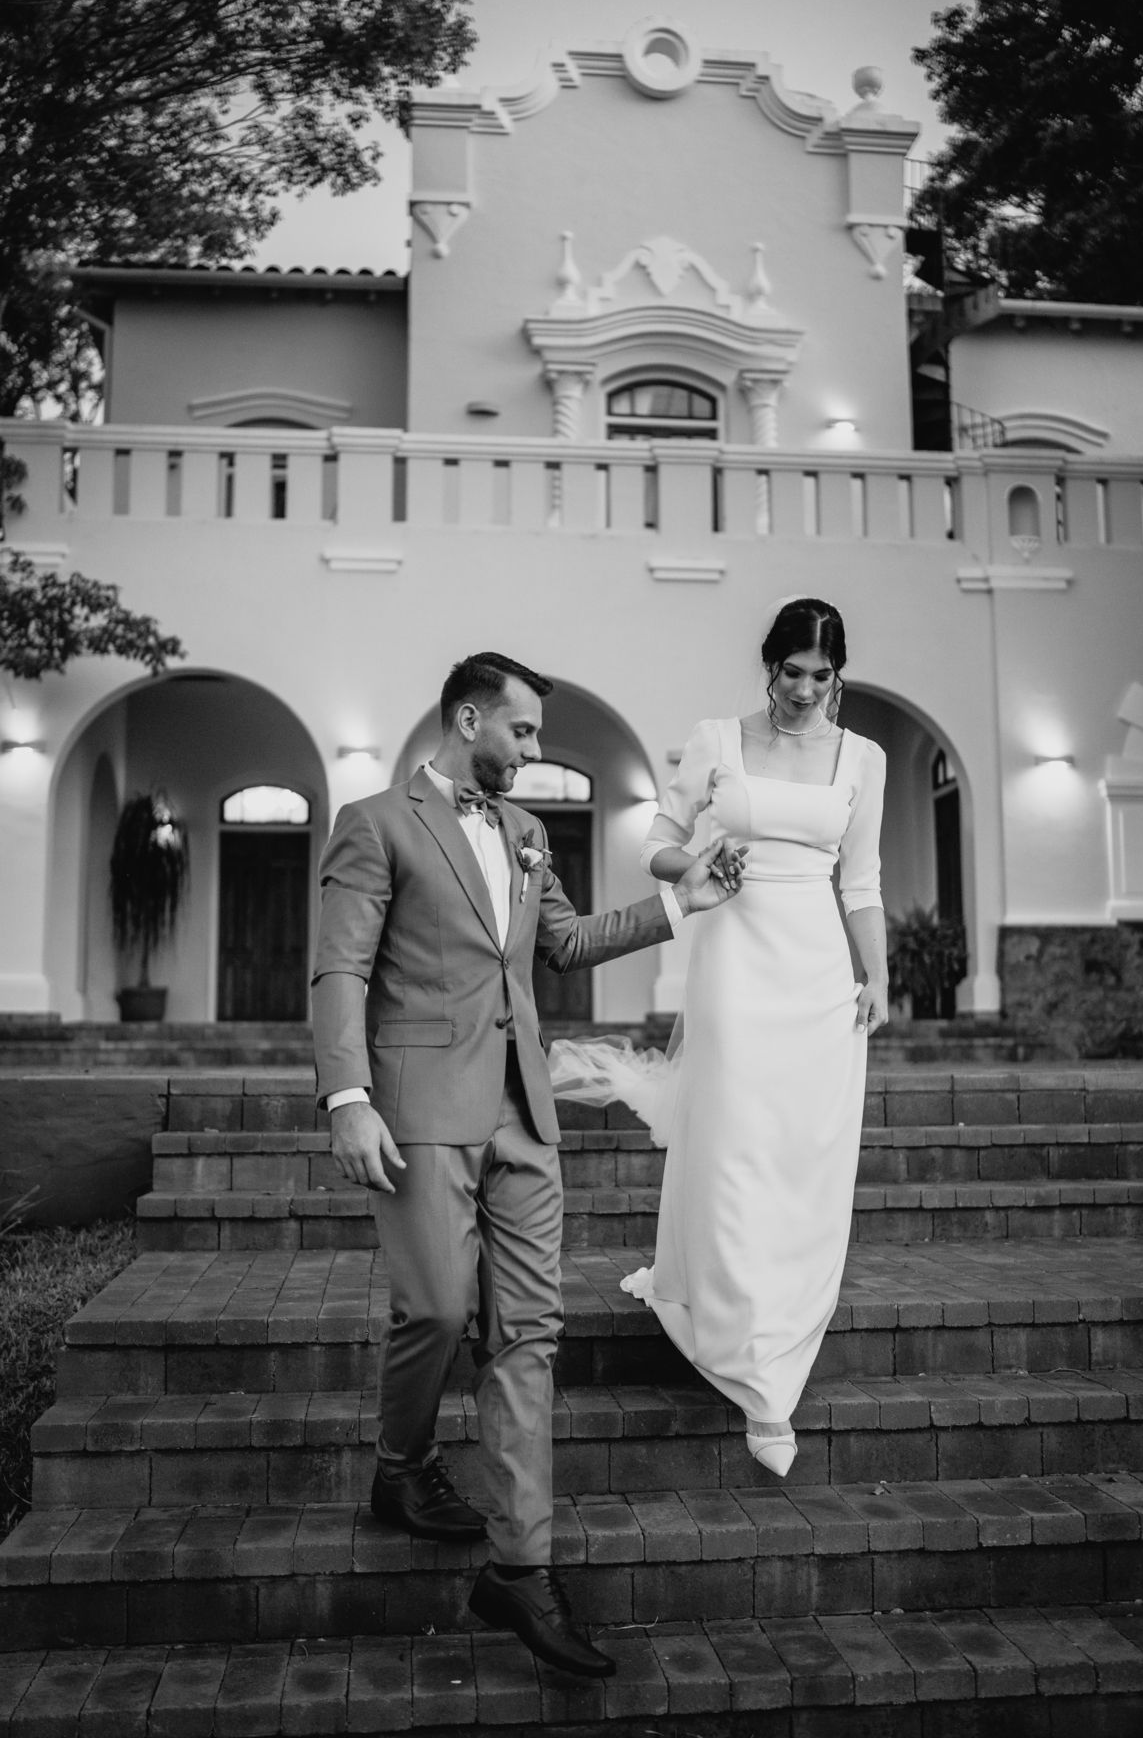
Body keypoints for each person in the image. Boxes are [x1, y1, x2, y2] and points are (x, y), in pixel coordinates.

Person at [310, 652, 740, 1680]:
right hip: (417, 1111)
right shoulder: (375, 824)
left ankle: (522, 1570)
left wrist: (687, 906)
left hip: (525, 1116)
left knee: (530, 1336)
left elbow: (567, 943)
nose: (538, 753)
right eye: (526, 734)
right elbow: (341, 968)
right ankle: (400, 1468)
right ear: (469, 719)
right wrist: (347, 1098)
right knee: (438, 1311)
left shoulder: (530, 834)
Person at [623, 597, 887, 1477]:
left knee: (802, 1151)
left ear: (836, 675)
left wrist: (876, 976)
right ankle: (756, 1375)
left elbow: (862, 880)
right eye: (790, 673)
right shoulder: (717, 741)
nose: (805, 691)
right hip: (734, 959)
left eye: (821, 676)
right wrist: (695, 864)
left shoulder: (864, 758)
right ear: (768, 668)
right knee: (735, 1142)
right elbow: (658, 843)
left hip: (817, 971)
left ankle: (782, 1316)